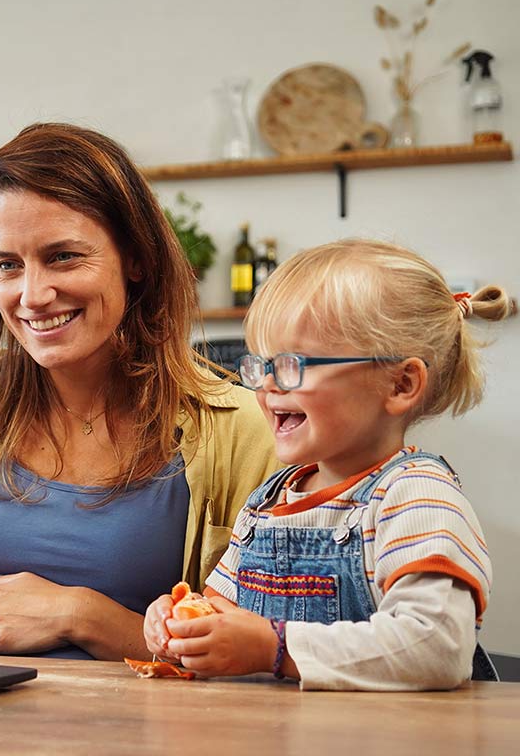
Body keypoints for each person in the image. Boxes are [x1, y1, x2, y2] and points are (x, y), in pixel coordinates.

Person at [0, 122, 281, 660]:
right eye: (7, 265)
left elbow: (265, 650)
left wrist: (79, 615)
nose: (33, 295)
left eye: (62, 256)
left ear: (136, 258)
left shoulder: (242, 430)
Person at [144, 239, 511, 689]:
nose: (268, 385)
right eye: (261, 364)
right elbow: (222, 613)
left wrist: (276, 648)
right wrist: (181, 625)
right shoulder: (267, 503)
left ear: (400, 384)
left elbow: (437, 646)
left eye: (293, 364)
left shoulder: (416, 498)